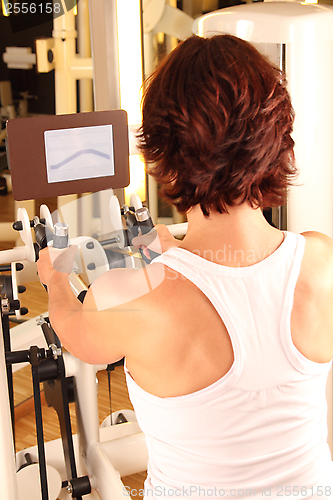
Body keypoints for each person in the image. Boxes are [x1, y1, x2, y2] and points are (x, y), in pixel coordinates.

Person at [37, 34, 333, 499]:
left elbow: (76, 334)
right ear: (277, 140)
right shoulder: (322, 261)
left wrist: (53, 278)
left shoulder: (129, 296)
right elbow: (236, 291)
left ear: (164, 152)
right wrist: (160, 250)